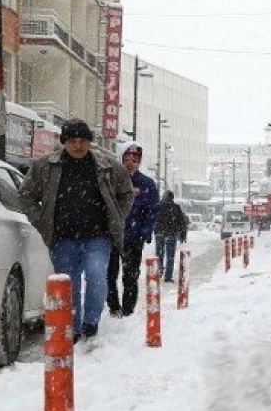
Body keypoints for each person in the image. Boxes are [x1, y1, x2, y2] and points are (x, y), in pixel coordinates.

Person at [18, 119, 134, 342]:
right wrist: (41, 220)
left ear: (90, 142)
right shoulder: (45, 166)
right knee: (69, 284)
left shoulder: (107, 166)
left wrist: (116, 216)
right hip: (62, 238)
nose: (78, 146)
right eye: (72, 141)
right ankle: (75, 327)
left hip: (98, 237)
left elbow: (126, 192)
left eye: (83, 141)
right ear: (64, 142)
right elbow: (26, 195)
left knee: (97, 276)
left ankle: (91, 322)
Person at [107, 141, 159, 316]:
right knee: (108, 275)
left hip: (133, 237)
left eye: (135, 160)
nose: (130, 163)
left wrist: (144, 233)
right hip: (111, 236)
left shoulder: (147, 184)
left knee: (130, 277)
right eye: (127, 159)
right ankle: (113, 306)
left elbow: (152, 211)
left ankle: (128, 310)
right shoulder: (109, 181)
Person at [154, 190, 189, 282]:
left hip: (159, 234)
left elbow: (152, 219)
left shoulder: (158, 207)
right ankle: (168, 277)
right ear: (172, 198)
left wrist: (150, 231)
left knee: (159, 254)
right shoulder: (176, 208)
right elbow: (182, 222)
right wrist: (183, 235)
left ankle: (159, 271)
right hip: (171, 234)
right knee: (170, 256)